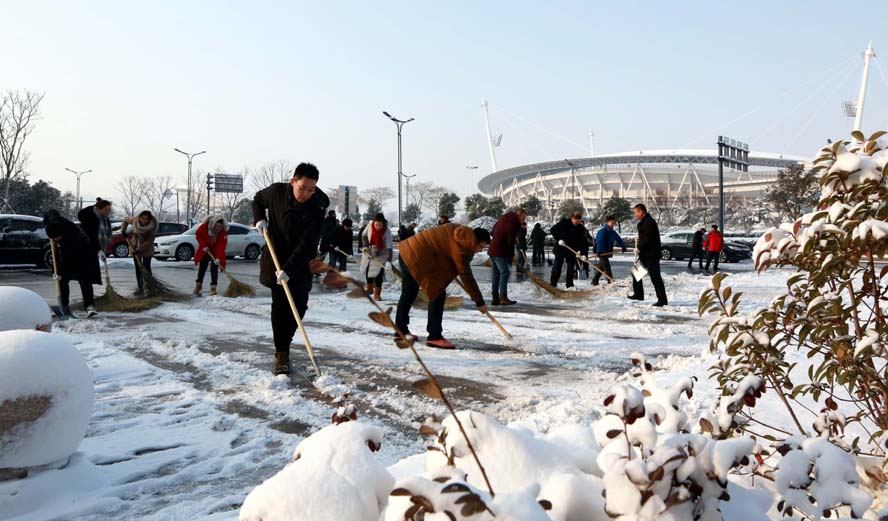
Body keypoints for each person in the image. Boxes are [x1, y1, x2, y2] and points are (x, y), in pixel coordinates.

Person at [252, 162, 330, 375]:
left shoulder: (317, 207)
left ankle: (285, 340)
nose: (306, 194)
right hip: (275, 258)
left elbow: (308, 244)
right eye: (303, 188)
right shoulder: (276, 192)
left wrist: (289, 269)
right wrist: (259, 219)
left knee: (299, 306)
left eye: (311, 189)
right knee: (280, 307)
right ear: (293, 181)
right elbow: (257, 199)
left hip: (300, 262)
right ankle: (282, 353)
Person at [396, 225, 491, 349]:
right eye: (481, 247)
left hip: (407, 251)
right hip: (418, 258)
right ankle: (434, 337)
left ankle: (400, 331)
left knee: (409, 292)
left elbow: (443, 248)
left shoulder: (459, 230)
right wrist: (479, 302)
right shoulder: (464, 248)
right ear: (475, 241)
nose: (480, 251)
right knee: (437, 293)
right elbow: (467, 276)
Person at [44, 211, 99, 317]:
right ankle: (64, 306)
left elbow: (66, 256)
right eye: (53, 238)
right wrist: (54, 271)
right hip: (69, 256)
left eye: (56, 237)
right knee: (62, 282)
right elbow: (56, 254)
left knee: (85, 281)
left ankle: (89, 306)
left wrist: (59, 272)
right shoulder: (53, 226)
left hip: (82, 256)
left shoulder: (72, 234)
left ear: (61, 233)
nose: (55, 240)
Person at [628, 204, 667, 306]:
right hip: (645, 254)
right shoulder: (644, 222)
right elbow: (644, 237)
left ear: (641, 211)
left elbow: (648, 239)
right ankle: (638, 294)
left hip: (651, 255)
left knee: (655, 277)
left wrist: (639, 247)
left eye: (636, 212)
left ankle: (662, 300)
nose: (635, 215)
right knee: (636, 272)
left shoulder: (648, 222)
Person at [487, 208, 527, 306]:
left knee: (496, 274)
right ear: (519, 215)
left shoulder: (502, 219)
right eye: (523, 217)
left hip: (493, 249)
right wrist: (510, 255)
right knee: (504, 273)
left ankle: (495, 298)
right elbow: (510, 242)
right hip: (500, 251)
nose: (524, 220)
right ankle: (503, 298)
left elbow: (492, 232)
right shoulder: (512, 224)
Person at [120, 210, 158, 295]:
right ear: (139, 218)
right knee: (138, 268)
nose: (144, 220)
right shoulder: (135, 220)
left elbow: (149, 241)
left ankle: (149, 287)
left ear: (149, 219)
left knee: (146, 267)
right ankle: (140, 288)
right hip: (135, 244)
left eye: (146, 219)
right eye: (142, 218)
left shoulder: (153, 225)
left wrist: (139, 249)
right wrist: (123, 230)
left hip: (147, 247)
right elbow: (125, 220)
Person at [193, 215, 229, 296]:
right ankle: (198, 286)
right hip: (205, 250)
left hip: (215, 252)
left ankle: (213, 288)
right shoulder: (205, 227)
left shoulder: (223, 232)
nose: (217, 228)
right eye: (216, 225)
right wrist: (203, 245)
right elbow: (198, 235)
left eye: (219, 226)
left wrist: (218, 258)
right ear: (213, 223)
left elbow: (221, 246)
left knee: (214, 268)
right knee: (202, 267)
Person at [360, 213, 393, 301]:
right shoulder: (370, 226)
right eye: (376, 225)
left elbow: (389, 248)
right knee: (369, 271)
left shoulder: (387, 232)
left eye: (380, 225)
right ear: (374, 222)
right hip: (370, 251)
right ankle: (370, 289)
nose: (378, 227)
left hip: (382, 254)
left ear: (383, 224)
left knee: (378, 273)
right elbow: (364, 236)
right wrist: (365, 246)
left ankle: (377, 294)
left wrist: (388, 261)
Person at [549, 211, 586, 288]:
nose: (577, 222)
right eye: (575, 220)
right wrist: (559, 239)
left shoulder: (581, 228)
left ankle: (569, 285)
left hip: (571, 249)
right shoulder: (564, 223)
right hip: (561, 247)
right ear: (572, 218)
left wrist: (581, 252)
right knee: (557, 266)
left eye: (578, 220)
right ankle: (553, 283)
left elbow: (582, 241)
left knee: (571, 267)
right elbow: (552, 230)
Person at [78, 196, 113, 270]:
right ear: (99, 209)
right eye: (106, 210)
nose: (108, 212)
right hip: (85, 247)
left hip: (93, 248)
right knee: (88, 270)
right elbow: (91, 235)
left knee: (93, 271)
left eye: (109, 210)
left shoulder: (104, 218)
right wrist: (99, 249)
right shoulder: (90, 218)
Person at [592, 216, 627, 286]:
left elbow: (618, 239)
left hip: (607, 251)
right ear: (607, 222)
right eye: (612, 222)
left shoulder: (612, 232)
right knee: (607, 267)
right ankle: (610, 281)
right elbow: (599, 241)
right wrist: (599, 251)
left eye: (614, 223)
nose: (613, 224)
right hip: (602, 252)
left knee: (601, 267)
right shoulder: (603, 231)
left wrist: (623, 246)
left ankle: (595, 280)